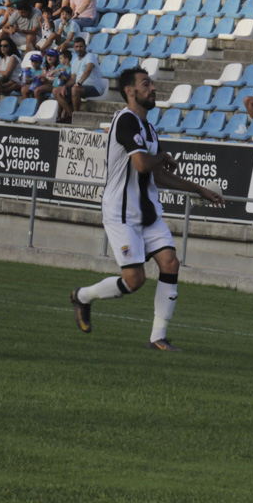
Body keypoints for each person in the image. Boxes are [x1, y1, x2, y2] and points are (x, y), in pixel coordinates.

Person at [70, 66, 225, 352]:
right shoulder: (125, 121)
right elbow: (142, 163)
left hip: (148, 212)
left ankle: (157, 338)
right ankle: (83, 296)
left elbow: (158, 175)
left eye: (151, 83)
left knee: (170, 263)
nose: (152, 88)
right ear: (130, 91)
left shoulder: (149, 129)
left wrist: (200, 190)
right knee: (135, 280)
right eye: (145, 84)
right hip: (121, 214)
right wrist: (163, 156)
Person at [54, 37, 102, 122]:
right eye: (76, 47)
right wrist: (65, 86)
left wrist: (79, 83)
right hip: (79, 87)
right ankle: (70, 115)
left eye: (81, 46)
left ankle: (77, 116)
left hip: (94, 88)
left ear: (85, 46)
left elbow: (89, 69)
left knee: (75, 89)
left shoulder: (90, 56)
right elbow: (73, 79)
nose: (79, 49)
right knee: (56, 90)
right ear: (74, 48)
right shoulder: (75, 61)